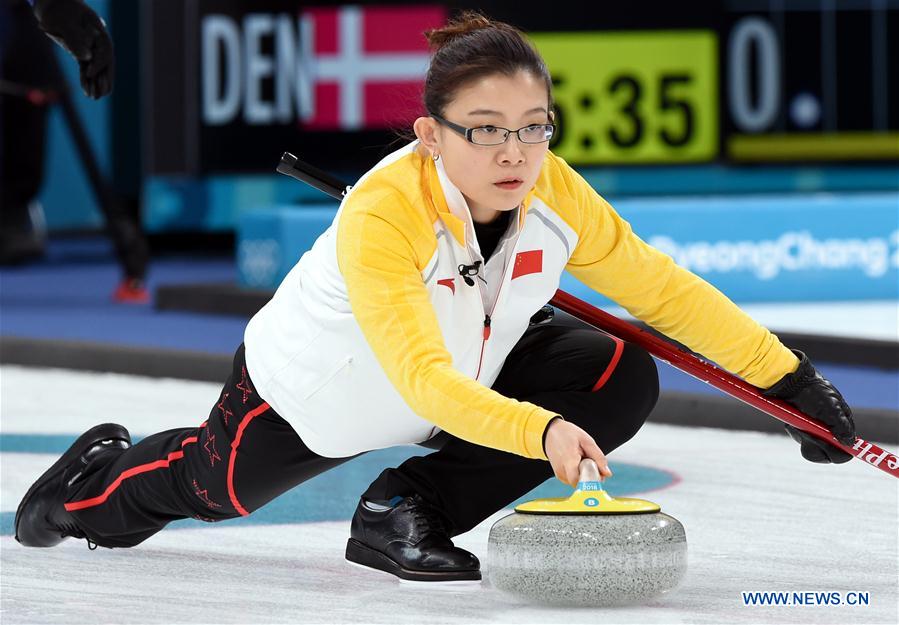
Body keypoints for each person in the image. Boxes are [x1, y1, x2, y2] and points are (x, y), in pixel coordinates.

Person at [15, 12, 856, 583]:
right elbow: (418, 379)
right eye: (484, 128)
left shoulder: (553, 190)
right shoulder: (388, 213)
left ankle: (403, 510)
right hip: (326, 389)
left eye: (534, 125)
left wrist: (785, 382)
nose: (515, 150)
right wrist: (540, 428)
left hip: (468, 359)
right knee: (212, 486)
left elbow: (661, 291)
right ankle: (79, 493)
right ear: (430, 133)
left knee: (615, 376)